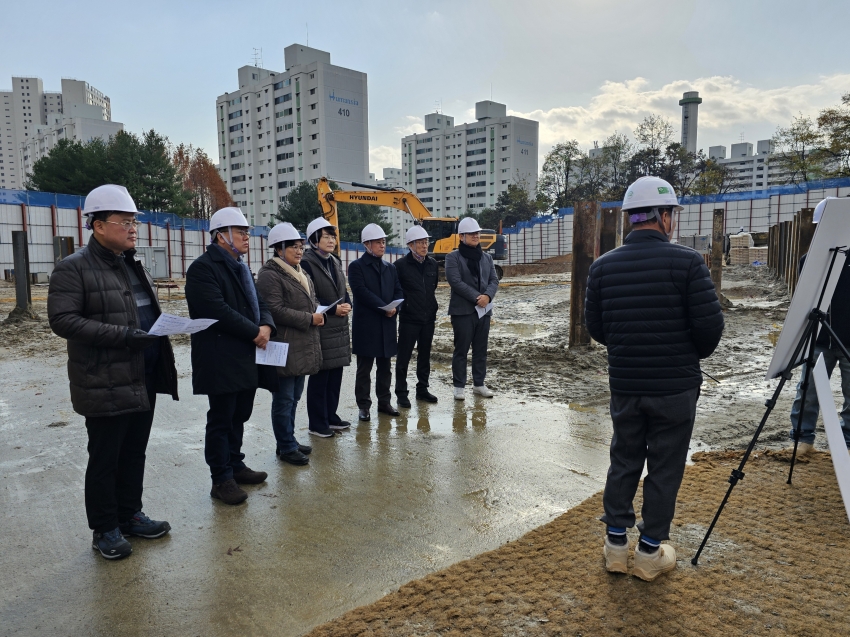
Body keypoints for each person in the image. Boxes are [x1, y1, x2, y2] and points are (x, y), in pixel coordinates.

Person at [585, 176, 724, 581]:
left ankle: (614, 546)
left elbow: (597, 328)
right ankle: (649, 554)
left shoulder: (602, 267)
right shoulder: (688, 263)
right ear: (663, 217)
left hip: (626, 385)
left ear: (630, 218)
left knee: (624, 458)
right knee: (665, 466)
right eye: (672, 215)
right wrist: (682, 354)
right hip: (674, 388)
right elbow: (709, 330)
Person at [47, 184, 178, 560]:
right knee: (105, 457)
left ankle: (129, 515)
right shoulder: (73, 268)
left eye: (134, 221)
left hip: (144, 373)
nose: (133, 228)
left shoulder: (132, 264)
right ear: (98, 225)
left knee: (135, 451)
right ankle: (104, 528)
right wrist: (123, 336)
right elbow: (63, 320)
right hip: (104, 378)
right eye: (124, 221)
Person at [185, 207, 277, 505]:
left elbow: (259, 302)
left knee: (240, 414)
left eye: (247, 232)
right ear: (221, 235)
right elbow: (217, 311)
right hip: (220, 356)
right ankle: (221, 478)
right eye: (241, 232)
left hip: (245, 354)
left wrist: (266, 325)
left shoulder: (241, 267)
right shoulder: (203, 268)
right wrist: (256, 332)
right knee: (222, 418)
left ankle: (236, 464)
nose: (247, 237)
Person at [256, 222, 324, 465]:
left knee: (294, 397)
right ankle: (285, 447)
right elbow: (273, 309)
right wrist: (309, 318)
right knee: (284, 399)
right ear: (278, 249)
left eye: (301, 246)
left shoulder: (300, 272)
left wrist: (317, 313)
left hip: (302, 344)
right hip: (284, 346)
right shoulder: (270, 275)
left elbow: (310, 301)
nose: (299, 251)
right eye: (293, 247)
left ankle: (289, 441)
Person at [788, 198, 850, 453]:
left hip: (848, 339)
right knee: (808, 392)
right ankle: (803, 438)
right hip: (820, 339)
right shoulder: (809, 261)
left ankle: (847, 441)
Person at [300, 217, 353, 437]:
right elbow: (308, 298)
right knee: (320, 377)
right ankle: (317, 423)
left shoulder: (334, 261)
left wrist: (348, 302)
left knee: (335, 376)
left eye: (333, 236)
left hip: (339, 327)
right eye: (326, 236)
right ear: (314, 239)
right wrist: (332, 310)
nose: (331, 240)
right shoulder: (306, 263)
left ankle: (330, 416)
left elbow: (342, 289)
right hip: (322, 325)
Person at [348, 223, 404, 421]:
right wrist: (384, 307)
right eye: (378, 242)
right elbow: (361, 292)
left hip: (387, 324)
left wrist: (396, 307)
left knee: (385, 367)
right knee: (364, 369)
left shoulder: (390, 268)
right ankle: (363, 405)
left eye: (383, 241)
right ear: (367, 244)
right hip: (367, 325)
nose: (382, 245)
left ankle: (384, 402)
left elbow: (398, 290)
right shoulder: (356, 267)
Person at [445, 216, 500, 401]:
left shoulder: (486, 258)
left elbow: (494, 280)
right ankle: (459, 386)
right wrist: (478, 298)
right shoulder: (453, 257)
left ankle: (479, 384)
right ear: (461, 236)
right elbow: (455, 281)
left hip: (484, 311)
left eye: (477, 233)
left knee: (480, 349)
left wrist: (488, 296)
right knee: (461, 350)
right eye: (471, 233)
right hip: (462, 311)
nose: (476, 236)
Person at [394, 225, 440, 407]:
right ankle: (401, 392)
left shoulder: (432, 264)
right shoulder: (400, 266)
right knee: (403, 356)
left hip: (428, 318)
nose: (424, 245)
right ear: (411, 245)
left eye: (426, 241)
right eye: (420, 242)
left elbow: (433, 287)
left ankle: (422, 389)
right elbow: (397, 291)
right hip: (409, 319)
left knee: (424, 355)